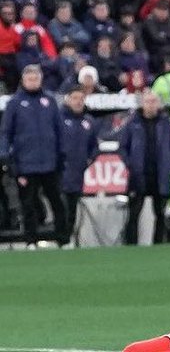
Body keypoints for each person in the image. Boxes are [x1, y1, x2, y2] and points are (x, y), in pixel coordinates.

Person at [0, 64, 68, 248]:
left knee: (57, 201)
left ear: (41, 79)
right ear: (23, 80)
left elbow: (59, 129)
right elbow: (6, 132)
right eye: (29, 78)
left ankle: (63, 238)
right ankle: (31, 239)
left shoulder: (49, 101)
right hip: (26, 163)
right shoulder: (15, 103)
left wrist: (62, 154)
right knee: (28, 204)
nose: (33, 82)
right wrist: (5, 156)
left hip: (50, 162)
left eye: (36, 78)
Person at [118, 89, 170, 245]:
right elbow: (122, 147)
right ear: (142, 103)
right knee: (133, 213)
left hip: (160, 175)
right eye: (148, 101)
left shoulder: (166, 123)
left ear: (158, 104)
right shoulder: (133, 122)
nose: (151, 105)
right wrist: (130, 164)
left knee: (160, 213)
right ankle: (131, 245)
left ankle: (158, 244)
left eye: (154, 101)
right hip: (139, 175)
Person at [61, 87, 99, 243]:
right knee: (60, 207)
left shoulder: (88, 122)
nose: (78, 101)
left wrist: (89, 159)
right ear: (68, 99)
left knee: (72, 208)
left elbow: (94, 146)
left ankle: (68, 239)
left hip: (77, 172)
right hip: (60, 172)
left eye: (81, 98)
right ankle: (59, 238)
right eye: (75, 98)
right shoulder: (59, 119)